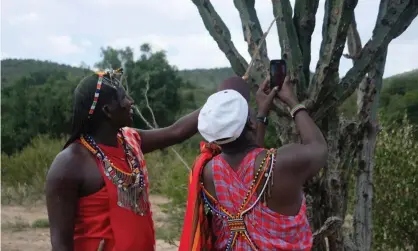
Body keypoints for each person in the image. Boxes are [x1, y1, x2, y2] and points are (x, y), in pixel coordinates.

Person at [45, 69, 200, 251]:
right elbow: (61, 244)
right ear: (107, 110)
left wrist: (220, 101)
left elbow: (176, 132)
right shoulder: (70, 164)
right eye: (123, 97)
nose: (130, 102)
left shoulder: (130, 141)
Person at [179, 76, 328, 250]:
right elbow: (318, 147)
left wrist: (262, 115)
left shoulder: (208, 171)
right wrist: (292, 101)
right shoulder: (283, 163)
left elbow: (249, 165)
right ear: (250, 121)